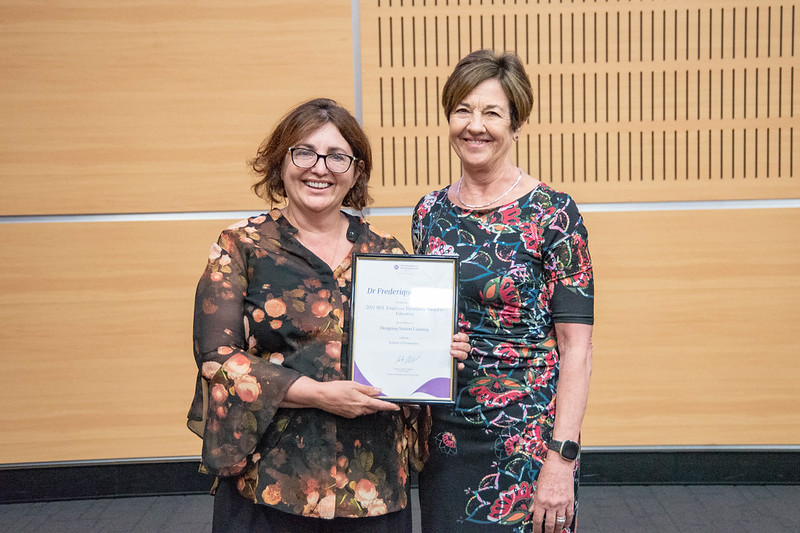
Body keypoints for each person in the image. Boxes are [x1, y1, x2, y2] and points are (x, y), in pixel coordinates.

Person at [186, 97, 470, 533]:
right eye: (305, 152)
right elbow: (216, 357)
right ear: (281, 163)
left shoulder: (386, 253)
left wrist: (439, 351)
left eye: (337, 156)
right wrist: (319, 394)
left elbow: (409, 355)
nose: (320, 168)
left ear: (356, 172)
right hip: (272, 486)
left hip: (371, 489)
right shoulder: (242, 247)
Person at [412, 50, 595, 533]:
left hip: (530, 439)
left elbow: (577, 347)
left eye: (491, 112)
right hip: (447, 436)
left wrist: (562, 458)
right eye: (462, 111)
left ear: (517, 124)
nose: (475, 126)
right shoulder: (429, 212)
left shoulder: (553, 214)